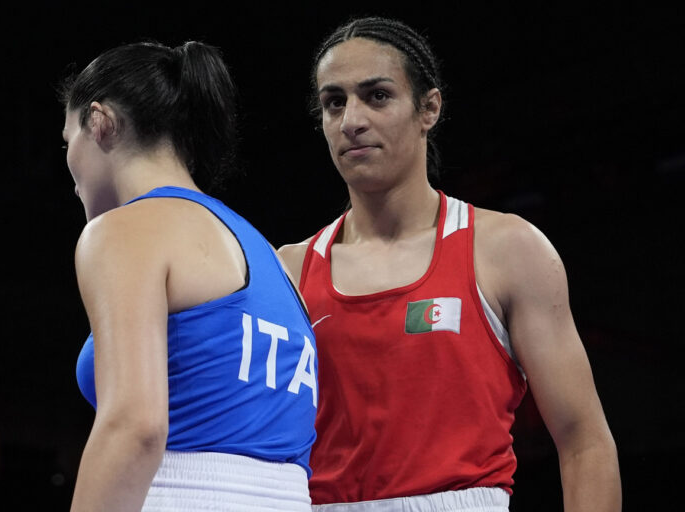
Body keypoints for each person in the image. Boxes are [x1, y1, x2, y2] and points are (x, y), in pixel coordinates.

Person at [278, 16, 621, 512]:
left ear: (429, 108)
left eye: (376, 96)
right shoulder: (287, 271)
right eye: (335, 102)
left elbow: (585, 442)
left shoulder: (506, 250)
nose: (352, 119)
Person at [59, 40, 318, 512]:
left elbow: (135, 426)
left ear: (99, 123)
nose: (70, 170)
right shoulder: (271, 259)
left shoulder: (122, 231)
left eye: (66, 140)